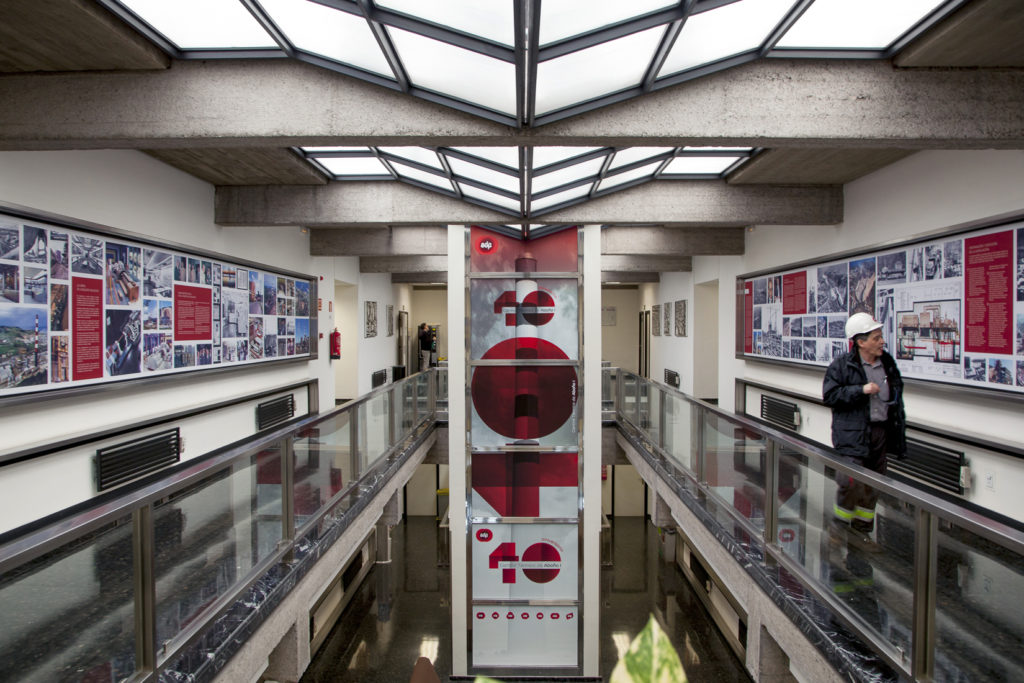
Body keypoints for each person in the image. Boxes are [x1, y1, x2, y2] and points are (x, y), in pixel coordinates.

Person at [823, 313, 906, 545]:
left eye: (881, 337)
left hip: (880, 432)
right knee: (849, 482)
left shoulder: (887, 364)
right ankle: (838, 529)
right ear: (861, 341)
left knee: (872, 484)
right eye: (876, 337)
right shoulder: (842, 365)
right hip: (852, 432)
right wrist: (860, 390)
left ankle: (862, 532)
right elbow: (830, 395)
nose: (882, 342)